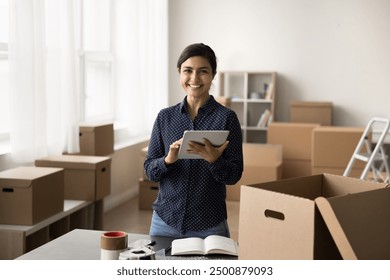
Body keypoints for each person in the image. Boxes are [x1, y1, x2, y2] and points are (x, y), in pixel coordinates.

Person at [144, 43, 243, 239]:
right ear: (179, 73)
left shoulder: (227, 118)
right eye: (188, 71)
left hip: (210, 224)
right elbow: (149, 170)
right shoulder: (165, 117)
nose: (194, 79)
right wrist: (168, 160)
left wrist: (215, 160)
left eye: (203, 71)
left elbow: (234, 175)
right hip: (165, 220)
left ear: (213, 74)